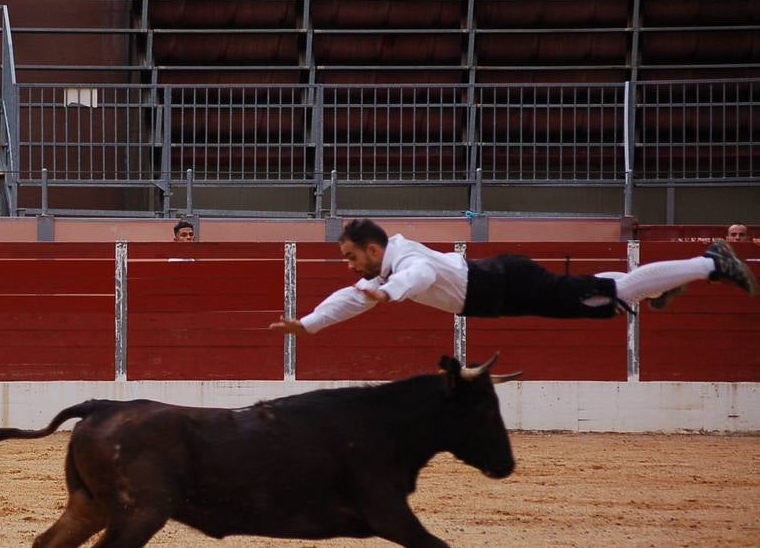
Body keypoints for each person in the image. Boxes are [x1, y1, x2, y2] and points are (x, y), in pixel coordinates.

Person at [270, 218, 757, 338]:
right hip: (499, 286)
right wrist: (308, 325)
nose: (351, 266)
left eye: (353, 257)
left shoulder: (404, 263)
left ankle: (712, 262)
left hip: (503, 283)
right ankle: (665, 282)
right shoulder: (388, 265)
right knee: (599, 290)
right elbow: (351, 296)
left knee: (609, 292)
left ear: (373, 250)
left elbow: (414, 279)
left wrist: (388, 291)